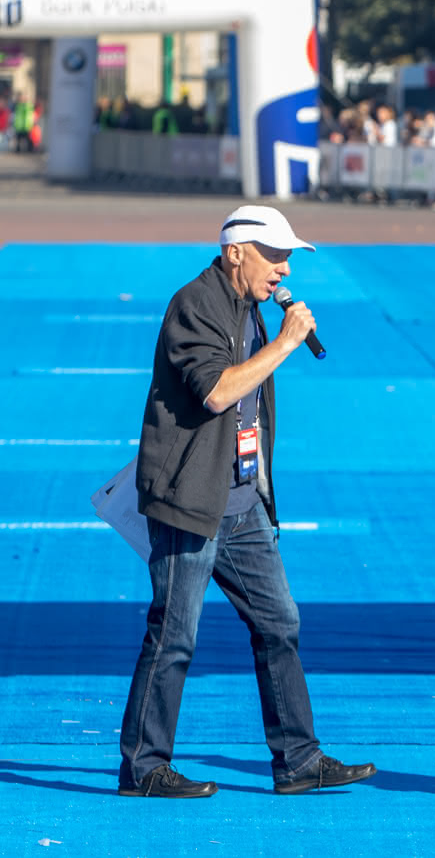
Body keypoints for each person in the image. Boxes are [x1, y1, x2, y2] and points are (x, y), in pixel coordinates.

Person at [119, 206, 375, 798]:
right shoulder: (197, 304)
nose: (283, 269)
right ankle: (143, 768)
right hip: (191, 499)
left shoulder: (250, 309)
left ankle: (299, 759)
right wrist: (287, 343)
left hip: (240, 500)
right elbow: (216, 391)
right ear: (236, 251)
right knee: (174, 634)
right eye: (275, 255)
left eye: (289, 258)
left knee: (279, 621)